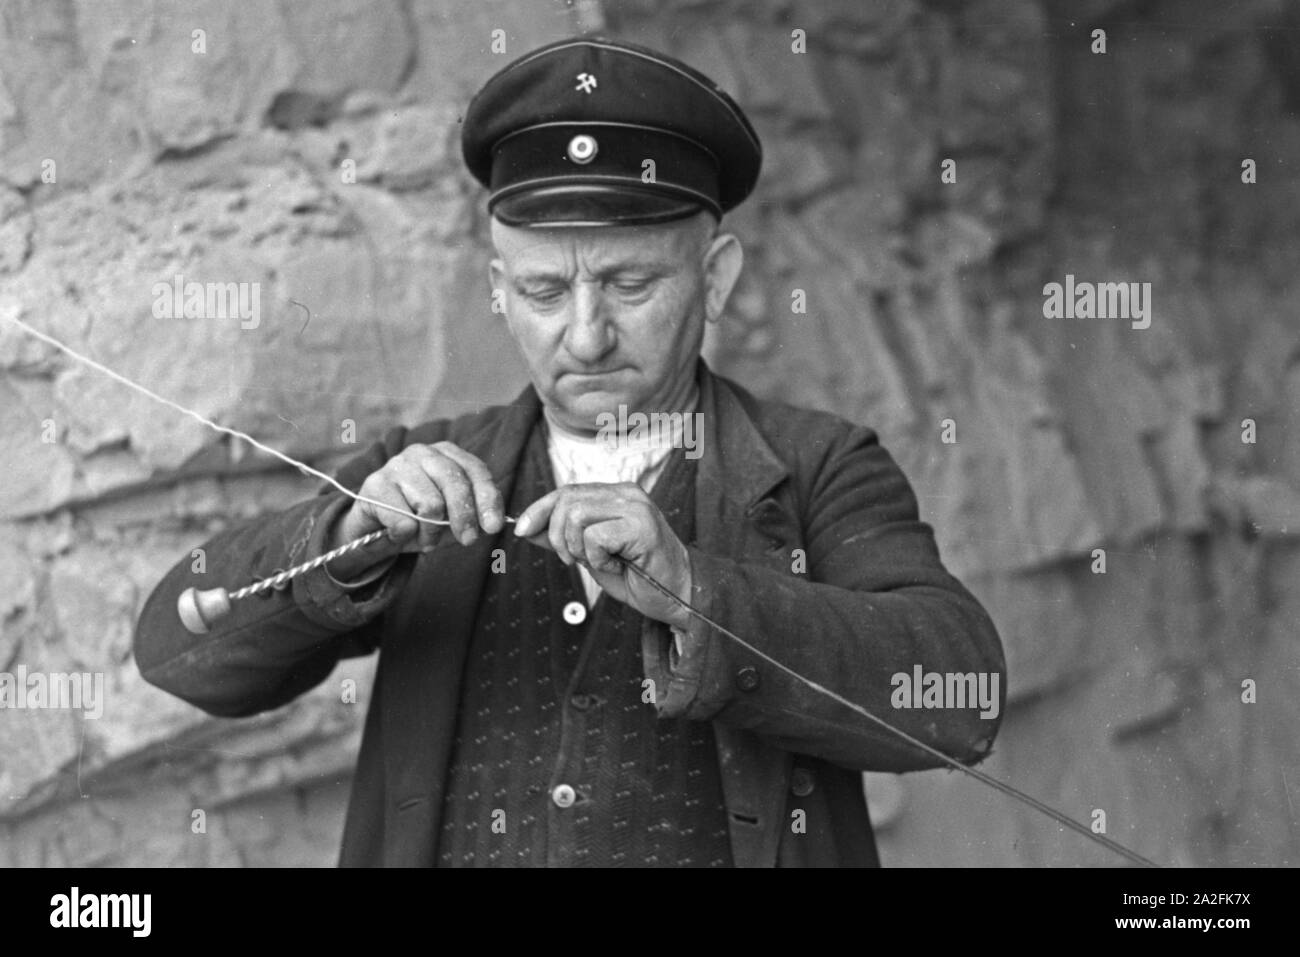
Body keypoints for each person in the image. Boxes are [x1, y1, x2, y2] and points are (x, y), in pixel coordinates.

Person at [134, 36, 1006, 868]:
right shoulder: (419, 469)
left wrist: (701, 592)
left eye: (631, 284)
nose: (586, 336)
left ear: (718, 278)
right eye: (546, 290)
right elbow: (177, 648)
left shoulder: (817, 465)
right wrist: (342, 543)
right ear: (499, 292)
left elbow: (962, 696)